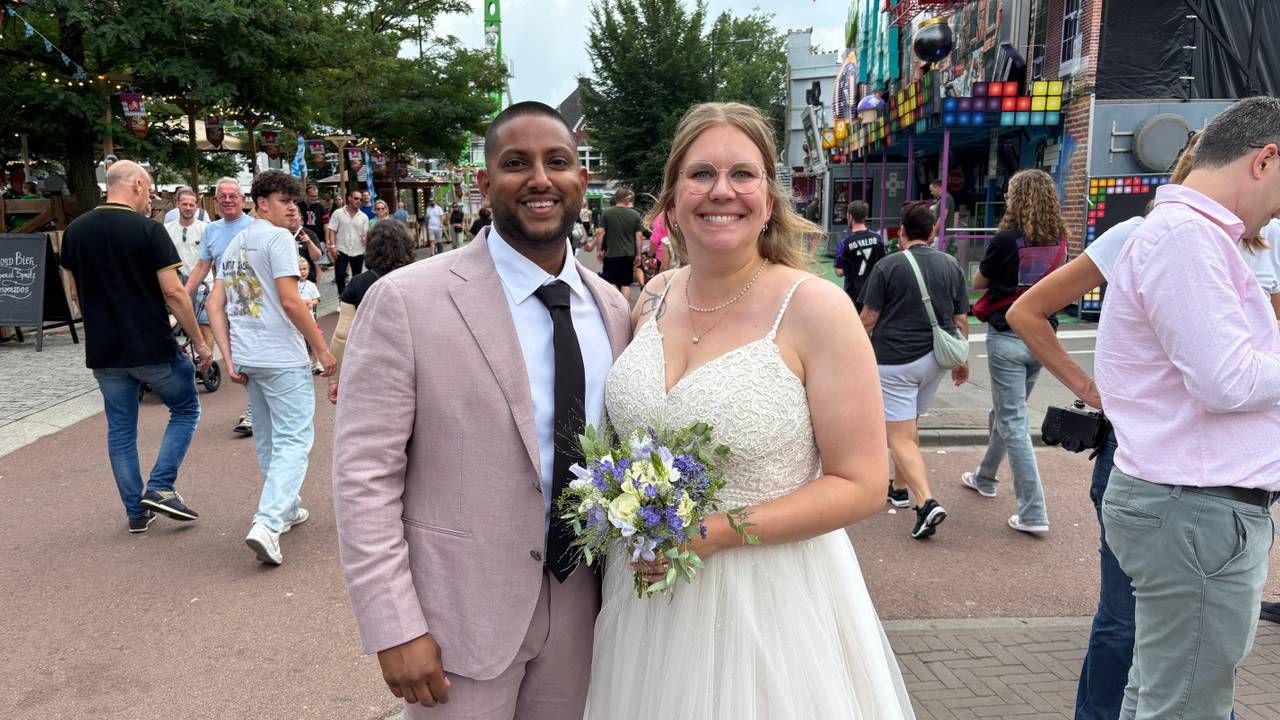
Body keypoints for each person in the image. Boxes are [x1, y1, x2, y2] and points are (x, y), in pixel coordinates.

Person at [585, 102, 912, 717]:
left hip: (770, 605)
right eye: (701, 173)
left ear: (768, 197)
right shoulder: (653, 297)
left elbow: (865, 484)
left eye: (743, 174)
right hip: (648, 600)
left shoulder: (816, 308)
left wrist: (714, 533)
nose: (721, 191)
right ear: (674, 197)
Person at [333, 101, 631, 718]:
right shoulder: (406, 301)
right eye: (516, 163)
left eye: (558, 162)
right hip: (458, 619)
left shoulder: (612, 309)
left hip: (586, 605)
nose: (540, 179)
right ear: (484, 181)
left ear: (581, 180)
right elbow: (364, 476)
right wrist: (393, 624)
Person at [1006, 132, 1253, 720]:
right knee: (1128, 624)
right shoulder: (1141, 236)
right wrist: (1091, 388)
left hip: (1227, 471)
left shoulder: (1258, 249)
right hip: (1147, 459)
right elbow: (1027, 311)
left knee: (1184, 648)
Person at [1091, 96, 1280, 719]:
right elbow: (1226, 381)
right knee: (1183, 703)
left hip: (1189, 506)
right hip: (1198, 509)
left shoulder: (1182, 234)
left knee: (1159, 690)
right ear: (1265, 159)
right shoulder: (1188, 238)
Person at [59, 160, 211, 533]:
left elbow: (75, 293)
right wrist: (200, 341)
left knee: (121, 430)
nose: (151, 198)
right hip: (150, 345)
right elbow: (175, 293)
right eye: (150, 189)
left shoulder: (75, 231)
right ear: (138, 184)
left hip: (104, 350)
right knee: (186, 408)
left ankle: (136, 512)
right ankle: (160, 485)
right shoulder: (148, 230)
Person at [206, 170, 336, 566]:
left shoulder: (232, 245)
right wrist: (322, 350)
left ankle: (287, 507)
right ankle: (267, 521)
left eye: (293, 201)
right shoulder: (278, 239)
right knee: (295, 439)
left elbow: (214, 305)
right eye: (284, 201)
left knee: (268, 437)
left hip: (248, 355)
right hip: (281, 353)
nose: (292, 207)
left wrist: (228, 358)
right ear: (262, 203)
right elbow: (291, 299)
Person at [965, 169, 1067, 536]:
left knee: (1013, 422)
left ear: (1015, 197)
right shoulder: (1059, 240)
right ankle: (985, 476)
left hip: (1006, 336)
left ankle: (1034, 511)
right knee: (1009, 414)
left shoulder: (1005, 239)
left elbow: (980, 282)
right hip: (1042, 337)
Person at [859, 201, 968, 539]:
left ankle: (926, 502)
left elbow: (868, 319)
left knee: (899, 435)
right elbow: (961, 320)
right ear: (933, 232)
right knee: (910, 424)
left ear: (901, 233)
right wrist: (962, 360)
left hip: (894, 362)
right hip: (934, 360)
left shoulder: (887, 267)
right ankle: (898, 488)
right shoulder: (951, 265)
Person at [183, 177, 257, 437]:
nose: (227, 200)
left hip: (254, 303)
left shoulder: (256, 226)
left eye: (232, 195)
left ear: (243, 199)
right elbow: (202, 266)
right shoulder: (211, 230)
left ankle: (255, 410)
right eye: (222, 196)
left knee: (252, 356)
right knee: (239, 357)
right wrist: (183, 295)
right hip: (223, 305)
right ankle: (258, 406)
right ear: (215, 201)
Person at [326, 218, 416, 404]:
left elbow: (342, 335)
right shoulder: (417, 277)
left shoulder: (358, 282)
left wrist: (335, 379)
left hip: (371, 364)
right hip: (411, 362)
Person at [593, 187, 645, 301]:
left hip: (611, 254)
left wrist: (598, 251)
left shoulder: (606, 213)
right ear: (627, 199)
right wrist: (638, 255)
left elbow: (600, 234)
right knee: (626, 284)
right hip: (628, 255)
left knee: (610, 282)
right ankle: (625, 309)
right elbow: (639, 237)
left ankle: (616, 304)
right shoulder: (635, 215)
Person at [834, 200, 886, 311]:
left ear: (850, 216)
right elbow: (884, 263)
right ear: (865, 216)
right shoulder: (877, 238)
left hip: (854, 293)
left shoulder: (845, 243)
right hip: (874, 291)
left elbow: (839, 272)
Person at [327, 189, 370, 294]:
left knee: (357, 278)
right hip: (341, 249)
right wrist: (332, 246)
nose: (358, 201)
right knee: (340, 275)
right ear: (350, 198)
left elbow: (366, 234)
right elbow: (332, 229)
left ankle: (354, 299)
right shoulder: (338, 213)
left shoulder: (364, 217)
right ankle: (341, 298)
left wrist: (366, 239)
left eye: (360, 199)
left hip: (358, 250)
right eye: (356, 198)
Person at [164, 188, 208, 282]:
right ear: (177, 205)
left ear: (196, 207)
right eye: (184, 204)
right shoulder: (166, 229)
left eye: (191, 205)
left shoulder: (206, 229)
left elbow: (211, 258)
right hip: (177, 284)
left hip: (203, 285)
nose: (188, 208)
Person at [298, 183, 329, 248]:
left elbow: (326, 225)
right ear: (306, 195)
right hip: (303, 241)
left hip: (319, 241)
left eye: (316, 196)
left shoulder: (321, 208)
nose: (314, 198)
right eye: (312, 196)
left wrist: (327, 240)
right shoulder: (298, 206)